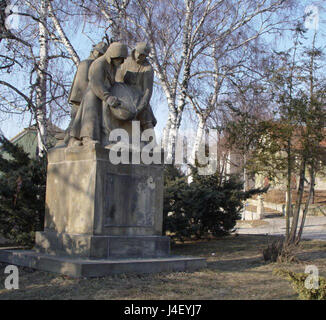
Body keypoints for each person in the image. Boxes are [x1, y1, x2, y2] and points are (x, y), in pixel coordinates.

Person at [69, 42, 128, 146]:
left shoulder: (112, 66)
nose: (121, 62)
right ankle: (87, 138)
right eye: (119, 58)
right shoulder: (99, 64)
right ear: (112, 55)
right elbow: (96, 83)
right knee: (90, 115)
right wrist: (108, 97)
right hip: (94, 94)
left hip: (103, 95)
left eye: (122, 59)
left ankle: (107, 139)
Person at [56, 42, 109, 145]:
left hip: (92, 98)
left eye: (101, 54)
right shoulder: (86, 63)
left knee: (85, 119)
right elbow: (81, 84)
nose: (98, 55)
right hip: (81, 98)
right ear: (93, 51)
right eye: (98, 53)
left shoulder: (99, 66)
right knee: (76, 119)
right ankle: (70, 139)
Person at [116, 42, 157, 131]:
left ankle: (151, 141)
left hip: (138, 98)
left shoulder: (147, 69)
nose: (139, 56)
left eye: (143, 55)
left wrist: (141, 107)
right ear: (134, 51)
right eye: (139, 53)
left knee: (147, 118)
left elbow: (147, 91)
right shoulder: (125, 61)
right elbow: (117, 80)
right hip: (123, 95)